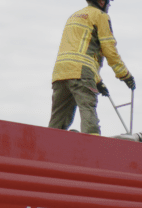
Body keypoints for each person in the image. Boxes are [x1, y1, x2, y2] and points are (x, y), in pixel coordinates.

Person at [49, 0, 135, 135]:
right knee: (88, 110)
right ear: (101, 1)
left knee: (58, 119)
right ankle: (92, 147)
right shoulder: (100, 16)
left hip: (60, 72)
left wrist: (98, 82)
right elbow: (109, 49)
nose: (109, 5)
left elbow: (80, 52)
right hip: (81, 72)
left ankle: (48, 147)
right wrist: (124, 75)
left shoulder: (74, 16)